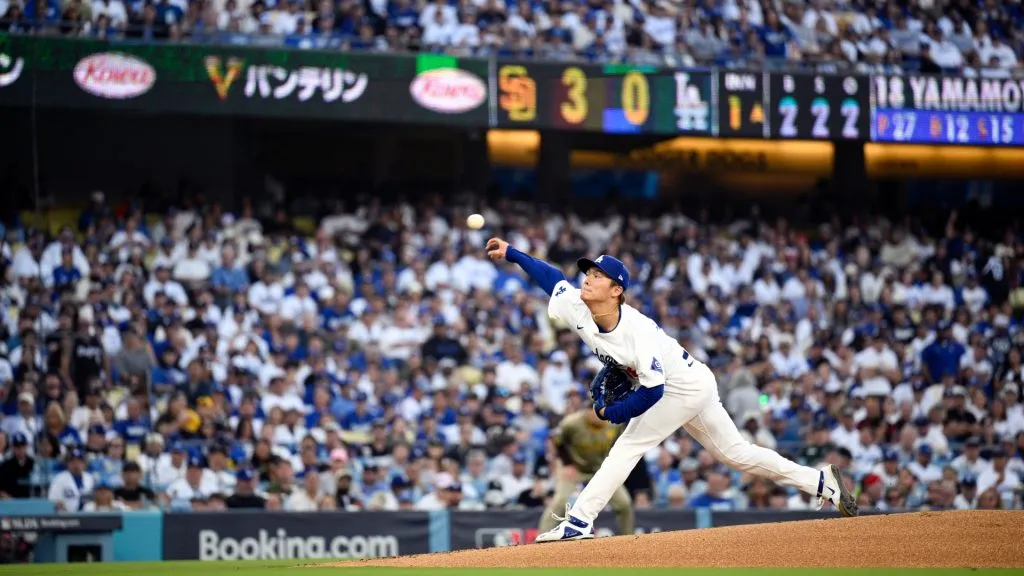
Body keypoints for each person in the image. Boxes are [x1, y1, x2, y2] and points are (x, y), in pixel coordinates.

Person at [485, 238, 857, 543]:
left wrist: (608, 414)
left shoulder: (638, 332)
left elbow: (653, 392)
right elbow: (551, 278)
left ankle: (580, 521)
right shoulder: (577, 305)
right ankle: (821, 481)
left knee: (628, 445)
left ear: (617, 290)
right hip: (694, 379)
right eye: (588, 272)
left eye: (597, 275)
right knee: (737, 454)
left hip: (680, 387)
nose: (587, 278)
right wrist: (513, 254)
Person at [539, 405, 633, 536]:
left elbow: (620, 443)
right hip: (576, 468)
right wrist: (567, 464)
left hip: (601, 468)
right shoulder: (572, 423)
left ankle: (629, 538)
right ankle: (541, 537)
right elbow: (556, 440)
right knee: (561, 501)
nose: (598, 417)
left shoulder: (613, 422)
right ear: (587, 411)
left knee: (624, 503)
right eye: (594, 412)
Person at [0, 432, 35, 499]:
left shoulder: (33, 463)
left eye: (22, 446)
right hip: (11, 503)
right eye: (17, 447)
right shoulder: (6, 466)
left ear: (26, 446)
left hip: (30, 502)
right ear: (13, 448)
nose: (20, 449)